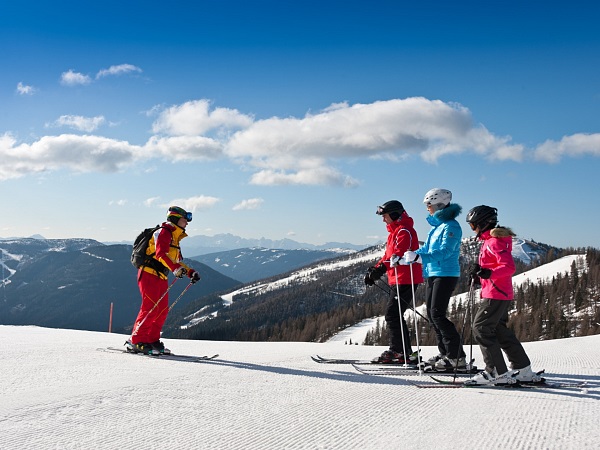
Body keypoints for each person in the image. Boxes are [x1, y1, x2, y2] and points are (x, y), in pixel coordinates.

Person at [464, 205, 541, 385]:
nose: (472, 229)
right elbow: (492, 268)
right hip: (497, 291)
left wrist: (487, 274)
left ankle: (496, 372)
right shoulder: (490, 241)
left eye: (473, 225)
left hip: (495, 293)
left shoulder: (494, 241)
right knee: (498, 330)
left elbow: (508, 267)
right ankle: (522, 369)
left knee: (481, 328)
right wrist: (480, 276)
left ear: (483, 223)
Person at [401, 188, 466, 370]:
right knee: (431, 314)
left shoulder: (451, 226)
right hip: (433, 273)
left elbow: (445, 252)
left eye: (429, 205)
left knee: (437, 314)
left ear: (438, 205)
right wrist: (409, 257)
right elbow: (427, 250)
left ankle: (456, 357)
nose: (427, 208)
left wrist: (421, 258)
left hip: (446, 274)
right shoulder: (437, 227)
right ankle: (445, 353)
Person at [127, 206, 201, 355]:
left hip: (160, 275)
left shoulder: (175, 237)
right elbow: (160, 254)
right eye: (184, 219)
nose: (187, 223)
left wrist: (190, 272)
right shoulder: (164, 232)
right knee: (150, 307)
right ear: (175, 219)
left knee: (161, 310)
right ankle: (136, 341)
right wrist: (175, 269)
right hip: (148, 273)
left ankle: (152, 340)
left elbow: (176, 261)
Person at [364, 200, 424, 363]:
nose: (383, 219)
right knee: (394, 314)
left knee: (393, 314)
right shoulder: (395, 232)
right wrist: (375, 269)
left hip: (406, 278)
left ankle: (399, 351)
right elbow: (387, 256)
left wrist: (380, 270)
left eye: (385, 216)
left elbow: (398, 254)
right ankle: (402, 351)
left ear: (395, 214)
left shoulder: (404, 231)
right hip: (397, 278)